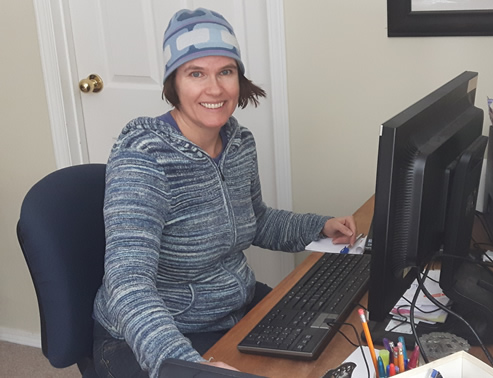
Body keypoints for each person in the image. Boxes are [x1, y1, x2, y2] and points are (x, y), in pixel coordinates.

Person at [91, 8, 358, 378]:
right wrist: (185, 364)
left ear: (239, 77)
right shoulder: (143, 156)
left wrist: (320, 226)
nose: (214, 89)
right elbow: (127, 281)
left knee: (337, 342)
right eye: (196, 73)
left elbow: (257, 220)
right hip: (152, 336)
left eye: (225, 72)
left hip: (233, 310)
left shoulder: (239, 142)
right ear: (174, 83)